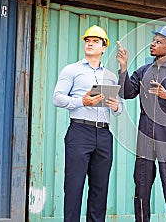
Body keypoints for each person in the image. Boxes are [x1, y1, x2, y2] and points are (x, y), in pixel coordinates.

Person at [116, 24, 166, 222]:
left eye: (158, 41)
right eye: (153, 40)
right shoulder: (143, 71)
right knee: (141, 186)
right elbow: (126, 93)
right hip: (145, 135)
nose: (153, 44)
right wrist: (124, 68)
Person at [53, 25, 122, 222]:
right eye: (88, 41)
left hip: (104, 135)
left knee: (100, 189)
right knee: (74, 186)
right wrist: (81, 101)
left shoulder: (110, 76)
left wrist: (116, 106)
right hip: (80, 132)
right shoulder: (72, 70)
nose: (90, 43)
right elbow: (57, 98)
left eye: (95, 41)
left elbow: (120, 110)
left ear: (104, 47)